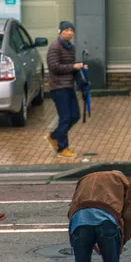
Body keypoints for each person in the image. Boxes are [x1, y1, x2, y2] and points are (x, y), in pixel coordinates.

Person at [46, 21, 86, 159]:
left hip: (69, 86)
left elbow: (70, 66)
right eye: (66, 30)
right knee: (65, 117)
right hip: (58, 87)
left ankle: (54, 136)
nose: (69, 32)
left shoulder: (71, 47)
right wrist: (73, 67)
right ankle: (62, 148)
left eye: (71, 30)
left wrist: (80, 67)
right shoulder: (55, 47)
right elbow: (54, 67)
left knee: (75, 115)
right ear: (60, 32)